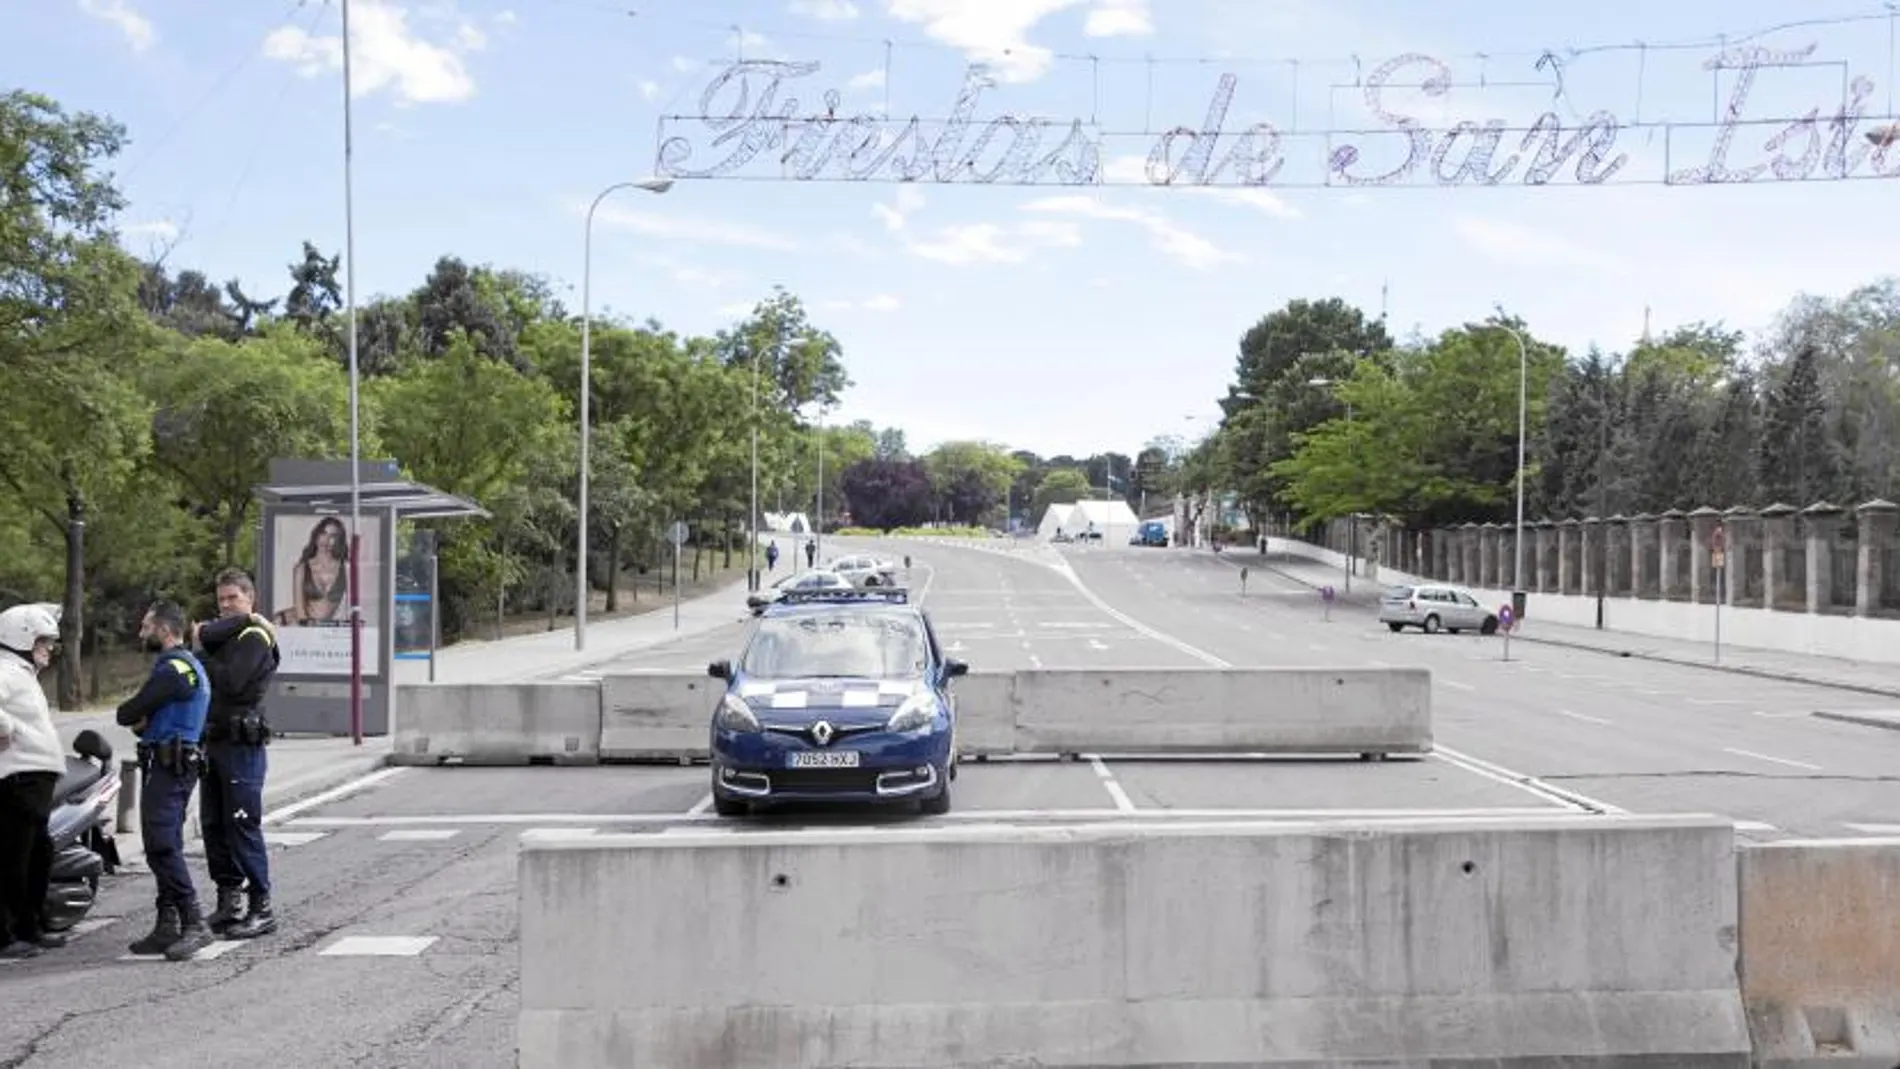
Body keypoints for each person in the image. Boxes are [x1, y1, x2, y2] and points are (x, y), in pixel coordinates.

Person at [117, 600, 216, 960]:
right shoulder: (182, 666)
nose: (141, 633)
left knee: (161, 845)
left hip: (170, 766)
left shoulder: (174, 669)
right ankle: (167, 923)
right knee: (163, 842)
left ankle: (194, 922)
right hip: (169, 764)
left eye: (146, 627)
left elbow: (127, 712)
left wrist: (138, 716)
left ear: (164, 629)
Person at [194, 568, 281, 939]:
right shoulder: (223, 636)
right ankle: (228, 902)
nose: (226, 606)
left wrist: (201, 654)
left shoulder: (255, 634)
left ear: (250, 599)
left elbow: (232, 682)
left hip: (241, 744)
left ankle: (261, 906)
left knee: (242, 824)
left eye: (233, 598)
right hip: (213, 741)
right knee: (213, 825)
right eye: (222, 600)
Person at [0, 603, 68, 959]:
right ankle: (8, 936)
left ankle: (31, 926)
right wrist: (5, 728)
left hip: (33, 779)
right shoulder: (6, 671)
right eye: (43, 641)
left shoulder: (21, 673)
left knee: (37, 855)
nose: (49, 649)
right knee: (15, 858)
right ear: (22, 638)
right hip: (19, 779)